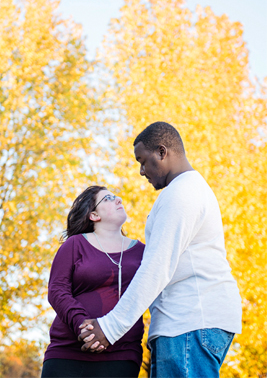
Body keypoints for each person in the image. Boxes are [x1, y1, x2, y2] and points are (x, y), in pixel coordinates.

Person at [77, 121, 242, 378]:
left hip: (189, 324)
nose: (142, 171)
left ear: (162, 152)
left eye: (143, 160)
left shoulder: (182, 194)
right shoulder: (188, 190)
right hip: (189, 325)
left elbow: (156, 268)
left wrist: (109, 328)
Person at [42, 186, 145, 377]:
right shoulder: (75, 245)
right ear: (94, 215)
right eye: (108, 198)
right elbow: (57, 290)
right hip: (68, 353)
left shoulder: (143, 252)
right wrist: (84, 327)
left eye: (116, 196)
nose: (118, 200)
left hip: (121, 356)